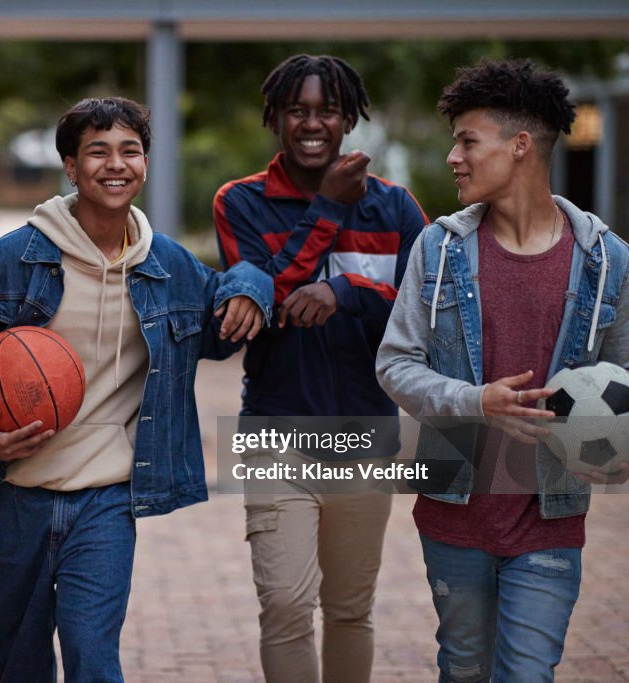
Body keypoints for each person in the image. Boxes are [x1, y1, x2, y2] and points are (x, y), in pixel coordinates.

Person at [0, 96, 272, 683]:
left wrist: (251, 287)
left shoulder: (168, 264)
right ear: (70, 166)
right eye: (98, 151)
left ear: (146, 163)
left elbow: (225, 309)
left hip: (105, 501)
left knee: (93, 659)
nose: (116, 164)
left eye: (130, 150)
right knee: (21, 666)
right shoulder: (11, 260)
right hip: (11, 501)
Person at [376, 59, 629, 682]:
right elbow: (394, 363)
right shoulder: (437, 249)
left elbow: (623, 380)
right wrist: (474, 400)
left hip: (552, 513)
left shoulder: (607, 260)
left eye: (467, 140)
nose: (452, 157)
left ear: (520, 146)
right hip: (454, 510)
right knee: (463, 668)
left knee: (527, 675)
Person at [213, 54, 427, 682]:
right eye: (297, 110)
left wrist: (350, 294)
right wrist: (329, 208)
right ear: (275, 117)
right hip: (277, 430)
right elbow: (265, 302)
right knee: (283, 604)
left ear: (348, 118)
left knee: (350, 610)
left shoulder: (394, 208)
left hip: (366, 432)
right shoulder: (241, 203)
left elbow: (425, 317)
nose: (312, 123)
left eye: (327, 110)